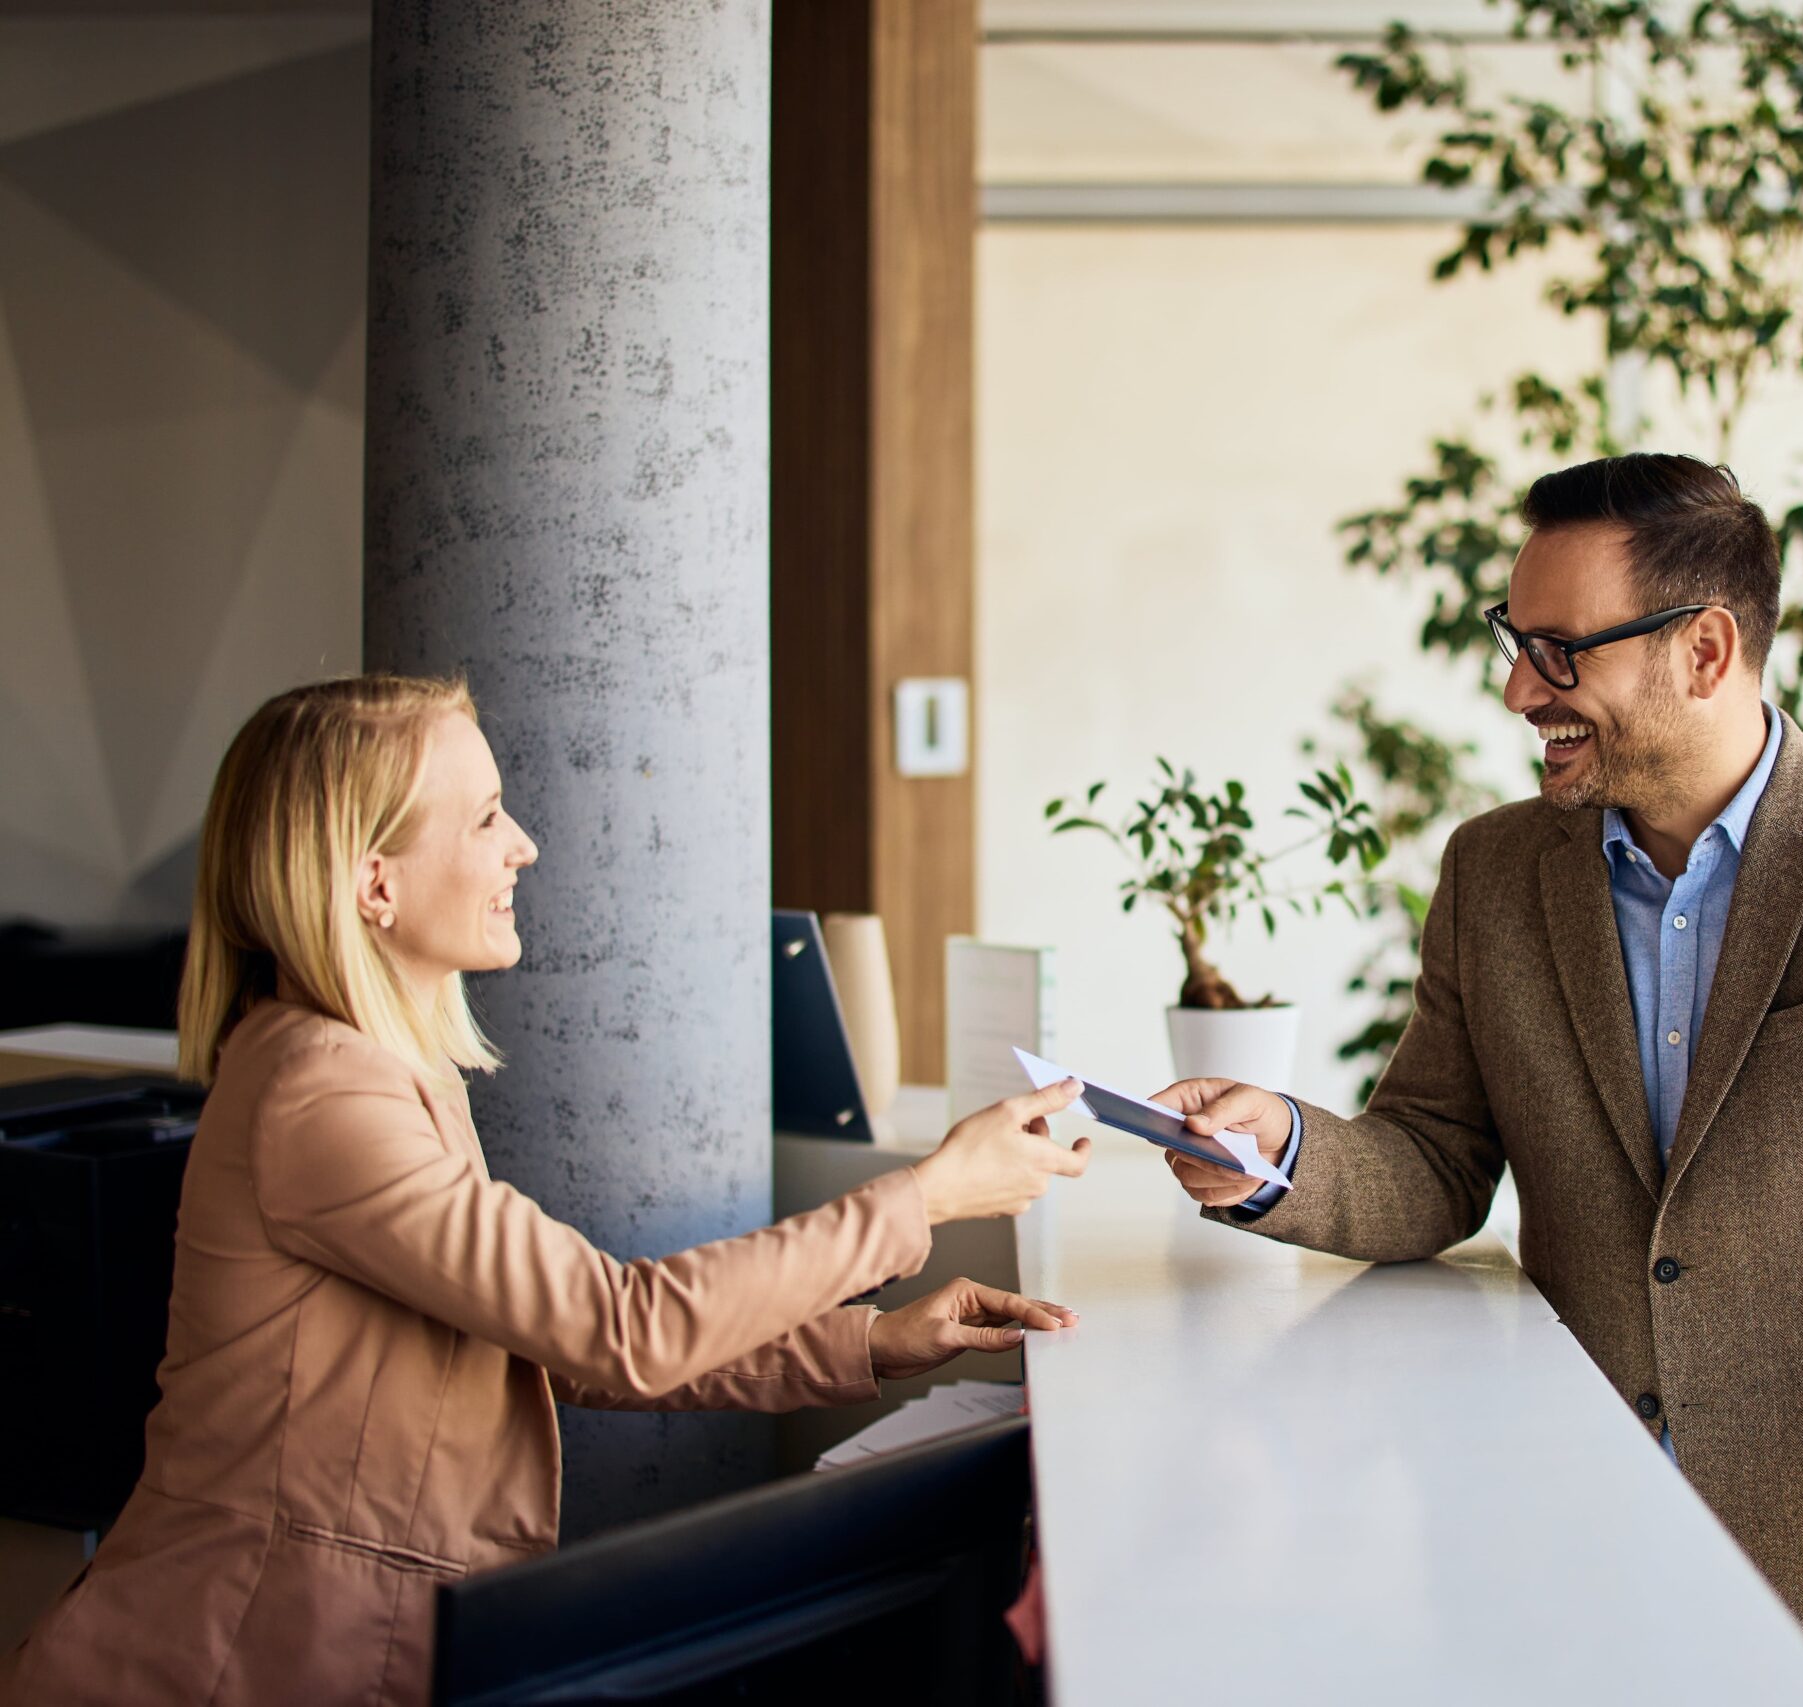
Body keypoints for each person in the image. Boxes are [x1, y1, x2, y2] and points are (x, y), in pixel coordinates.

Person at [1157, 455, 1803, 1703]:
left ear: (1705, 651)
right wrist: (1279, 1150)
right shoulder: (1493, 873)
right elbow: (1436, 1155)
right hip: (1566, 1563)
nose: (1519, 689)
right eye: (1514, 642)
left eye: (1559, 652)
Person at [1, 675, 1090, 1707]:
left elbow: (555, 1342)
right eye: (485, 818)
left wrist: (872, 1342)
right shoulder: (323, 1096)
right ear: (375, 884)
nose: (523, 844)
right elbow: (622, 1328)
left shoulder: (375, 1071)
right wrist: (926, 1195)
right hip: (229, 1659)